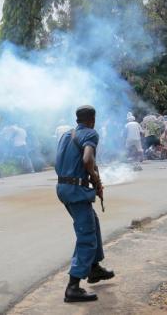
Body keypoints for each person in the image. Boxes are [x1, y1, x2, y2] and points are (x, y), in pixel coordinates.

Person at [55, 105, 114, 303]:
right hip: (76, 191)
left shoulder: (66, 135)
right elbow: (87, 159)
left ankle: (94, 268)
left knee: (92, 223)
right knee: (86, 235)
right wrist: (96, 180)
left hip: (64, 187)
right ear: (92, 119)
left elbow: (59, 162)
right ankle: (73, 287)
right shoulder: (90, 133)